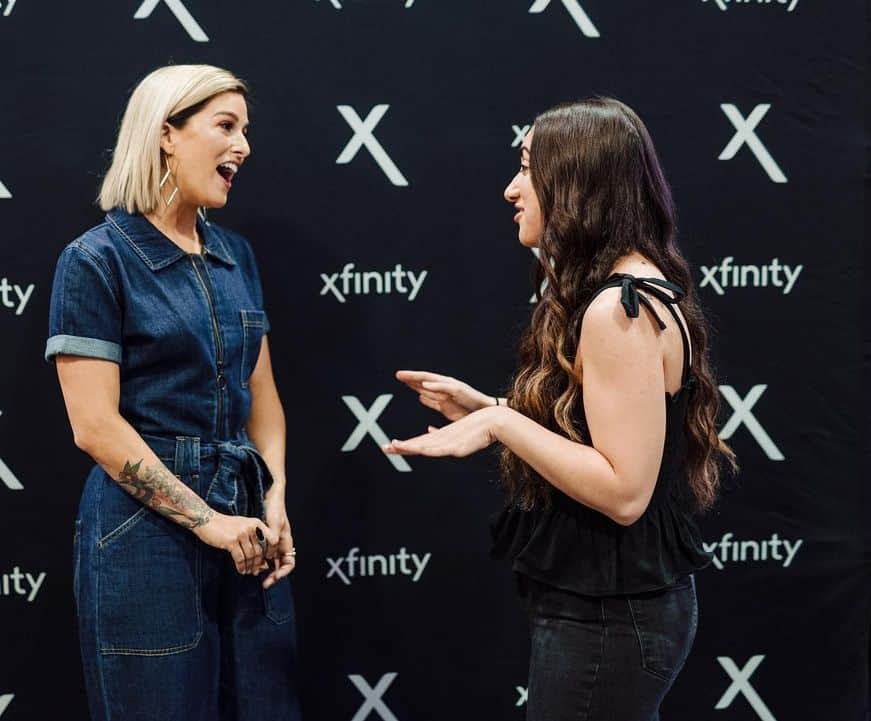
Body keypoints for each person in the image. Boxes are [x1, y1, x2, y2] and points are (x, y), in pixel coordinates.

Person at [385, 98, 736, 721]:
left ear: (575, 183)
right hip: (617, 610)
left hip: (611, 615)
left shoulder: (617, 310)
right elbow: (604, 435)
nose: (511, 189)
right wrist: (487, 406)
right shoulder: (628, 291)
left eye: (527, 168)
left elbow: (624, 491)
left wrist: (501, 422)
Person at [46, 64, 300, 721]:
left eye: (246, 129)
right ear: (165, 133)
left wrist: (273, 500)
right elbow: (94, 425)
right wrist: (207, 521)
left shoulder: (236, 254)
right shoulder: (96, 259)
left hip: (246, 518)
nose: (244, 145)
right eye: (225, 126)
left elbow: (262, 397)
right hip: (142, 532)